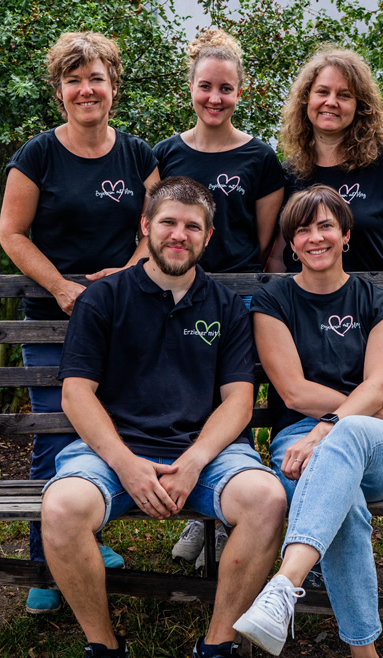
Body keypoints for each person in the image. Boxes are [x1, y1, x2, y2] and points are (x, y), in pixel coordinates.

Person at [40, 176, 287, 658]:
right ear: (145, 226)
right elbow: (76, 393)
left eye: (193, 226)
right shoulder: (103, 298)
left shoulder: (225, 305)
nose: (180, 234)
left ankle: (217, 654)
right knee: (61, 508)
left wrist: (197, 460)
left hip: (204, 455)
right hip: (112, 451)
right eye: (169, 222)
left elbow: (239, 400)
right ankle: (105, 656)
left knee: (267, 497)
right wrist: (126, 465)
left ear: (209, 236)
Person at [233, 185, 383, 658]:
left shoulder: (375, 299)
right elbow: (292, 391)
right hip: (304, 441)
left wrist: (345, 423)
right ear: (292, 243)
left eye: (326, 227)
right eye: (302, 229)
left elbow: (378, 384)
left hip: (375, 444)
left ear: (346, 235)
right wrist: (364, 416)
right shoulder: (273, 300)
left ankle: (284, 586)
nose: (314, 237)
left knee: (344, 443)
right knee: (345, 507)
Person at [0, 32, 160, 614]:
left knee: (105, 432)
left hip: (118, 319)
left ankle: (87, 537)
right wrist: (64, 287)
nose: (86, 89)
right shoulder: (38, 155)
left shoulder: (139, 157)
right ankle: (47, 565)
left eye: (96, 78)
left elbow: (157, 230)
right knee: (55, 437)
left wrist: (123, 277)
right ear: (60, 91)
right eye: (74, 80)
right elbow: (12, 234)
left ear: (113, 87)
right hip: (52, 319)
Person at [155, 28, 285, 567]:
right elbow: (158, 236)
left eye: (226, 88)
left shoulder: (260, 157)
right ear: (191, 87)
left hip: (240, 299)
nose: (215, 98)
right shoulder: (164, 153)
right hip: (178, 296)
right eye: (206, 86)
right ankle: (198, 517)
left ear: (240, 92)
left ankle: (235, 515)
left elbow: (266, 241)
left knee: (239, 402)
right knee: (192, 401)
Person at [266, 47, 383, 359]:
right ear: (306, 100)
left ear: (360, 106)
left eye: (344, 95)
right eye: (322, 92)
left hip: (377, 319)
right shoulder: (290, 172)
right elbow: (278, 253)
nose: (331, 102)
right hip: (307, 319)